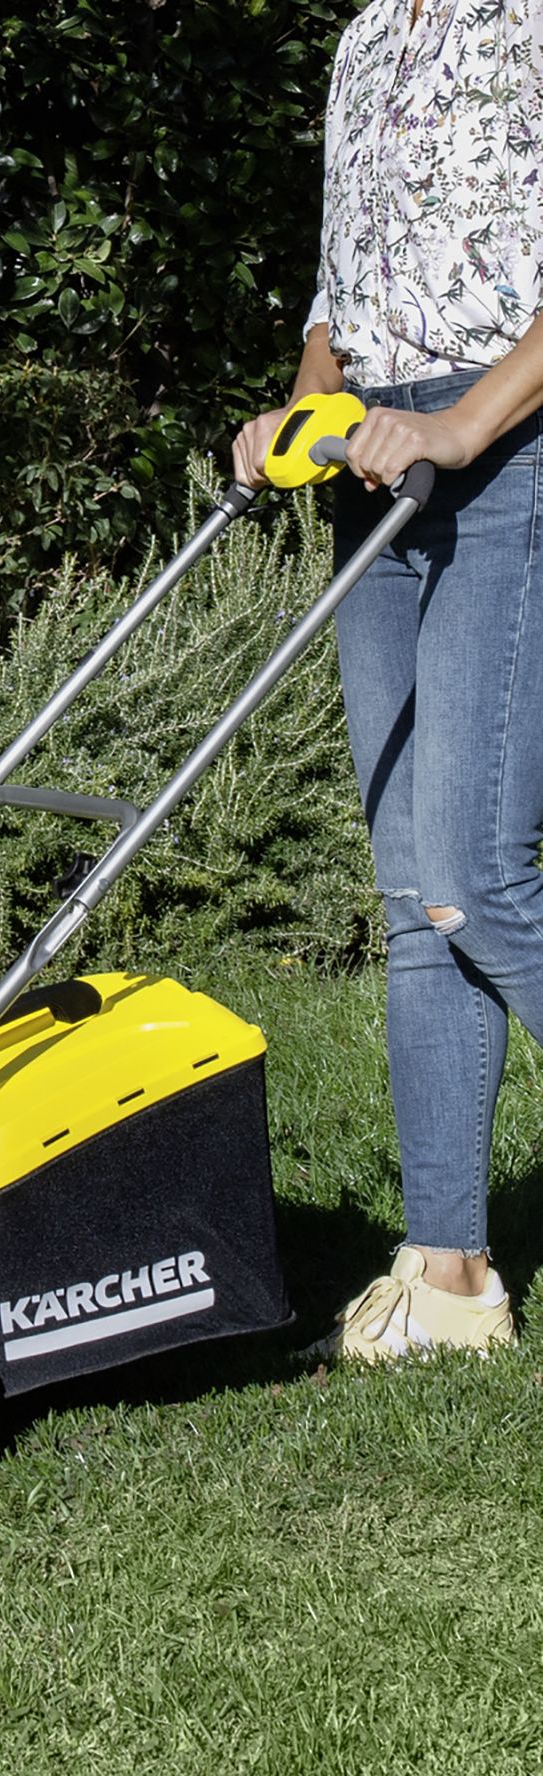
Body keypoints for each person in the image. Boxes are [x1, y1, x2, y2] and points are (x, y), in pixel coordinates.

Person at [232, 0, 543, 1361]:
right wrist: (305, 410)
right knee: (419, 899)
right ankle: (449, 1276)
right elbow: (339, 300)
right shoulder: (366, 38)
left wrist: (465, 422)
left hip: (508, 455)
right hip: (378, 475)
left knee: (476, 871)